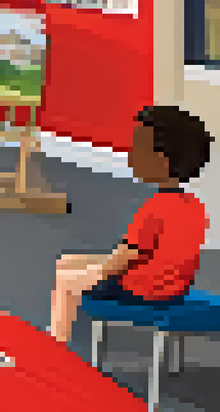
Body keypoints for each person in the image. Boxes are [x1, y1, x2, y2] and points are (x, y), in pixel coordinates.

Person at [48, 106, 212, 344]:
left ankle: (56, 343)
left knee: (67, 281)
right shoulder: (194, 206)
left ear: (163, 161)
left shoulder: (154, 208)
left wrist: (95, 272)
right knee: (67, 261)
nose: (130, 155)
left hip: (141, 289)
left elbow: (122, 259)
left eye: (138, 149)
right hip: (174, 286)